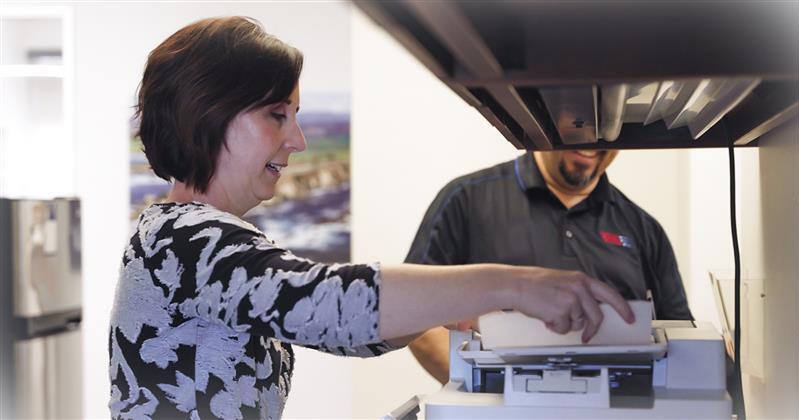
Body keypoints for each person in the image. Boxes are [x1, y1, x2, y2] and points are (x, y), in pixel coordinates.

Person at [108, 17, 634, 419]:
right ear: (210, 112)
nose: (298, 140)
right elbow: (330, 304)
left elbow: (340, 327)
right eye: (277, 115)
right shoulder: (181, 240)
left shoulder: (190, 234)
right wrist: (511, 286)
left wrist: (441, 305)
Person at [406, 150, 693, 384]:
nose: (590, 142)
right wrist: (485, 391)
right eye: (577, 126)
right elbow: (414, 316)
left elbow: (681, 335)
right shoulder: (466, 200)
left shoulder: (643, 227)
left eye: (604, 131)